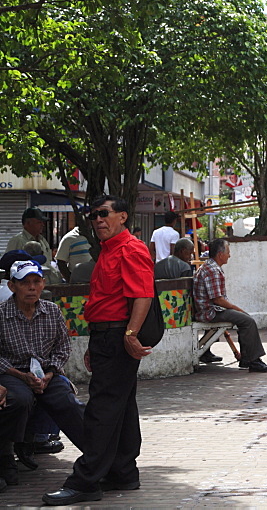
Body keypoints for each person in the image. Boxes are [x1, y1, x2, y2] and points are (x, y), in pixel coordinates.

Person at [43, 195, 154, 506]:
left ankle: (86, 480)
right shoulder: (108, 250)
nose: (98, 220)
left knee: (101, 411)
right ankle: (123, 471)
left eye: (104, 214)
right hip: (107, 336)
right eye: (93, 216)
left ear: (123, 216)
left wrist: (130, 334)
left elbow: (142, 295)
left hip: (118, 336)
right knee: (121, 407)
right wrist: (98, 341)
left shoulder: (130, 249)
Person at [0, 261, 86, 470]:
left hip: (47, 372)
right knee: (20, 399)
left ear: (43, 284)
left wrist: (49, 374)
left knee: (66, 401)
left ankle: (97, 454)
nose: (31, 288)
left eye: (36, 282)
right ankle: (7, 456)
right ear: (12, 286)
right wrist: (21, 376)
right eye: (25, 283)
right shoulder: (2, 313)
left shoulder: (52, 311)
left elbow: (63, 347)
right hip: (12, 372)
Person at [193, 239, 267, 373]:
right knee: (247, 320)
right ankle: (254, 361)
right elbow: (218, 300)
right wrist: (238, 309)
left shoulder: (210, 267)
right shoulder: (212, 270)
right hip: (210, 312)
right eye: (228, 252)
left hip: (209, 309)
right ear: (220, 254)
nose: (229, 255)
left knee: (243, 319)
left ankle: (247, 358)